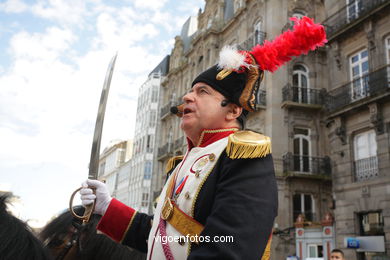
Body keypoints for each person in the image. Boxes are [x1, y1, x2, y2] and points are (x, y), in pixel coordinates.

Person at [80, 16, 326, 260]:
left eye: (202, 92)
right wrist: (107, 206)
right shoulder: (180, 166)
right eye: (189, 91)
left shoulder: (244, 154)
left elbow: (228, 249)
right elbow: (160, 236)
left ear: (232, 110)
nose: (187, 97)